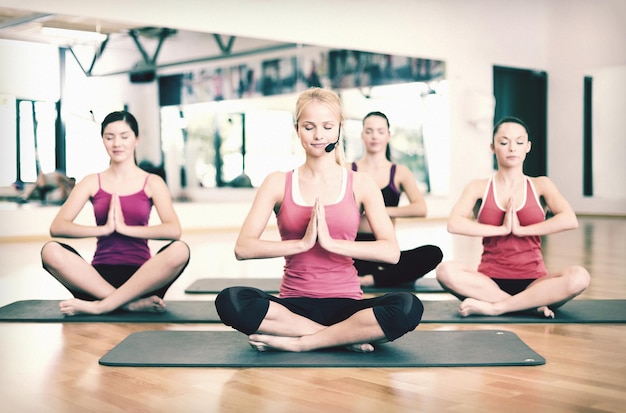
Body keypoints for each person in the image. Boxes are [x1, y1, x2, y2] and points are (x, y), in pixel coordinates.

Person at [215, 88, 424, 353]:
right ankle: (341, 338)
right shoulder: (277, 182)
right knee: (230, 300)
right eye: (309, 127)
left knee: (408, 307)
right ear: (297, 129)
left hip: (347, 305)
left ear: (339, 129)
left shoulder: (360, 183)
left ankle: (303, 343)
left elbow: (391, 252)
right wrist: (301, 244)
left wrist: (332, 243)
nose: (318, 135)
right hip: (293, 306)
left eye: (327, 126)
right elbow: (243, 248)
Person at [435, 116, 590, 318]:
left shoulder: (541, 185)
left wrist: (521, 230)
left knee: (580, 277)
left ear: (528, 147)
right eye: (504, 142)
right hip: (488, 282)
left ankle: (497, 307)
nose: (512, 148)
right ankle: (527, 306)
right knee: (445, 271)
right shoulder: (478, 186)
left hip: (535, 282)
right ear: (492, 147)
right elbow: (454, 224)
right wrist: (501, 230)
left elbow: (569, 219)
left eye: (519, 142)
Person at [40, 110, 190, 316]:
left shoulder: (153, 182)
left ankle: (102, 305)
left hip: (143, 278)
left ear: (136, 139)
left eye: (124, 136)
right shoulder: (92, 181)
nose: (117, 143)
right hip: (97, 279)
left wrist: (125, 229)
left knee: (180, 250)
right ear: (103, 140)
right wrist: (104, 230)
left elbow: (174, 230)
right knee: (50, 251)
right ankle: (130, 304)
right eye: (109, 137)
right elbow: (58, 227)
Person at [348, 111, 443, 288]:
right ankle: (385, 277)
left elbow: (420, 208)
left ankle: (371, 279)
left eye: (380, 131)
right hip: (353, 248)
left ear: (388, 135)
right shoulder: (348, 169)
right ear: (362, 135)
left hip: (384, 249)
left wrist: (377, 210)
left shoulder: (399, 172)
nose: (374, 136)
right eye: (369, 131)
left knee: (433, 253)